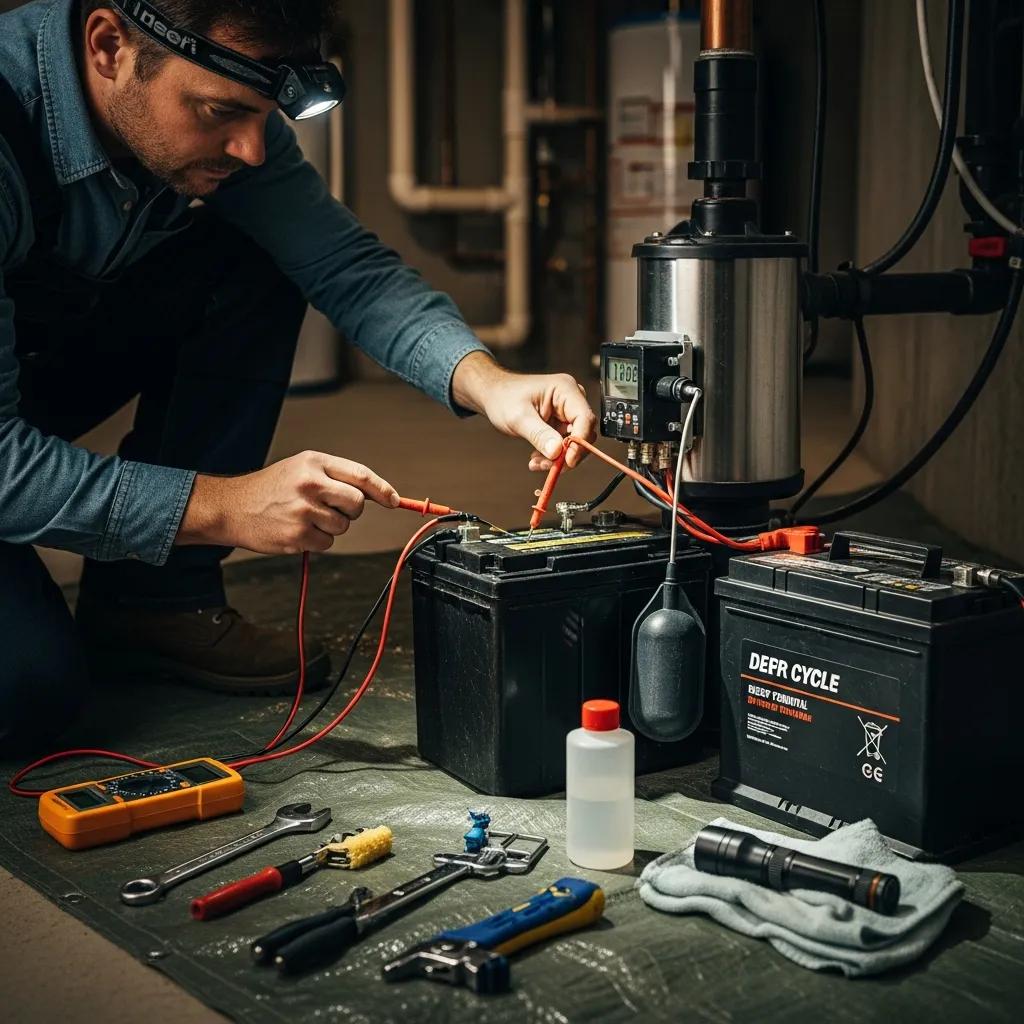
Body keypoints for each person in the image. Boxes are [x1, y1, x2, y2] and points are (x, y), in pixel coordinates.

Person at [0, 0, 596, 753]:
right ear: (109, 44)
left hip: (21, 379)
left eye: (264, 116)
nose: (253, 149)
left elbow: (344, 266)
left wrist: (486, 381)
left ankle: (154, 602)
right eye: (220, 112)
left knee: (255, 258)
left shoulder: (224, 122)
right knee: (26, 694)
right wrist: (221, 504)